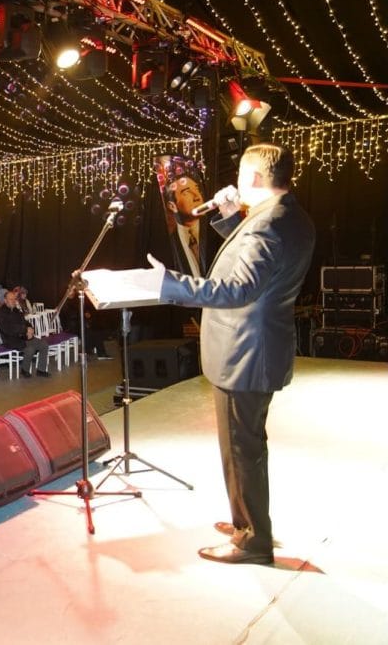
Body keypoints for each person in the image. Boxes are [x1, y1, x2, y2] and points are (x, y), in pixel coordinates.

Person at [149, 143, 315, 565]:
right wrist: (228, 219)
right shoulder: (290, 216)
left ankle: (252, 541)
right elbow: (256, 264)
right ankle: (248, 521)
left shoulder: (266, 225)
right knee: (247, 447)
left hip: (244, 354)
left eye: (241, 177)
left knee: (242, 451)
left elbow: (238, 288)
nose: (236, 185)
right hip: (260, 349)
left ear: (255, 179)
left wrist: (171, 285)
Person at [0, 290, 51, 378]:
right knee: (30, 348)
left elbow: (24, 322)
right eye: (11, 299)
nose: (13, 301)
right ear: (5, 300)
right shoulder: (1, 313)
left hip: (23, 336)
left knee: (43, 344)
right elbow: (8, 329)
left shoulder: (16, 311)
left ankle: (41, 369)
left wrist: (30, 328)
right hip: (11, 340)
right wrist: (25, 330)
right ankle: (24, 370)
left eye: (14, 299)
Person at [164, 174, 207, 278]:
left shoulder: (216, 231)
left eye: (197, 189)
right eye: (187, 192)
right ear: (172, 206)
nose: (197, 197)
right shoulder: (168, 245)